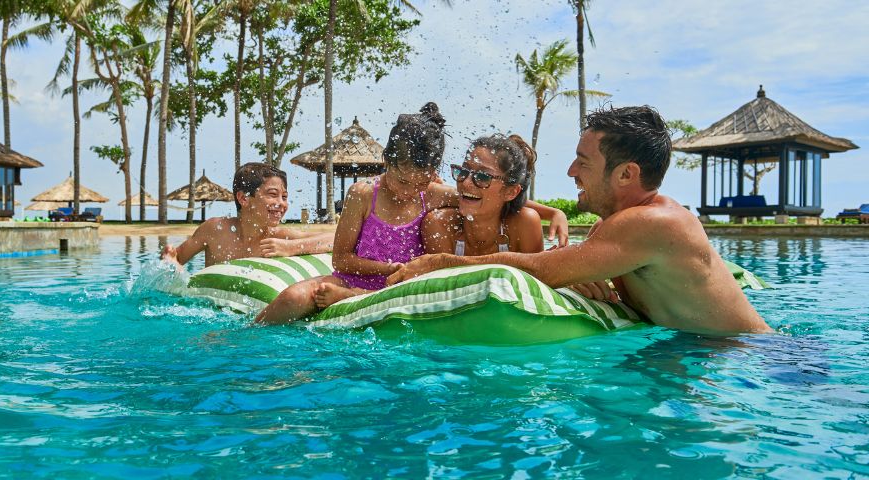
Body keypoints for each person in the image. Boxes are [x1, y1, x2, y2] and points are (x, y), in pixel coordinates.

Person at [388, 105, 771, 335]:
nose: (571, 171)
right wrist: (586, 277)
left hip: (760, 358)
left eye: (583, 161)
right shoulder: (612, 229)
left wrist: (441, 262)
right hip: (698, 350)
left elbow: (541, 268)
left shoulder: (660, 222)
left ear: (626, 174)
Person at [256, 103, 566, 325]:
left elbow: (491, 198)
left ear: (432, 174)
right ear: (386, 162)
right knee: (293, 298)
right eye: (400, 180)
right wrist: (386, 267)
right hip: (353, 277)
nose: (406, 190)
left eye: (416, 183)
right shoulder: (363, 195)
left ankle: (351, 297)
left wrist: (552, 212)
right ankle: (249, 335)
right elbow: (341, 259)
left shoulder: (433, 194)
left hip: (401, 289)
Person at [161, 162, 333, 267]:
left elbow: (335, 239)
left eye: (284, 197)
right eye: (273, 194)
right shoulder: (215, 230)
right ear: (244, 198)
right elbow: (176, 258)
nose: (281, 204)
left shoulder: (280, 237)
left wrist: (290, 248)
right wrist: (170, 261)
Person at [423, 134, 544, 257]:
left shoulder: (524, 225)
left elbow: (535, 273)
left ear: (511, 192)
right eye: (463, 171)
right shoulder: (440, 224)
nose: (465, 183)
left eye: (482, 176)